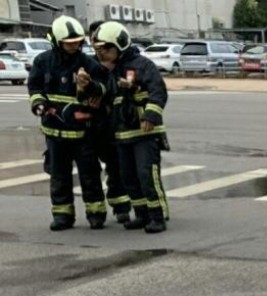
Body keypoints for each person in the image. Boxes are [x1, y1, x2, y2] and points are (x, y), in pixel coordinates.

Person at [27, 16, 109, 231]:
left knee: (90, 175)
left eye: (77, 41)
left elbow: (104, 89)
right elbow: (35, 88)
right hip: (54, 133)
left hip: (84, 133)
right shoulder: (43, 62)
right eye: (68, 42)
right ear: (56, 41)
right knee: (59, 176)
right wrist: (39, 104)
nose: (74, 45)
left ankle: (96, 213)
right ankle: (63, 216)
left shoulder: (88, 64)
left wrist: (89, 85)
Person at [92, 21, 169, 233]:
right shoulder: (110, 71)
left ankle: (157, 216)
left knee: (147, 175)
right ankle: (142, 214)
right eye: (98, 49)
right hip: (122, 135)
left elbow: (158, 91)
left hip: (145, 133)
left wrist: (151, 116)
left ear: (120, 45)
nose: (102, 53)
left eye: (105, 49)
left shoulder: (142, 65)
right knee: (129, 178)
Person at [86, 20, 131, 226]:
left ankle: (121, 208)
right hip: (90, 126)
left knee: (116, 167)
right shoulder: (87, 64)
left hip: (113, 124)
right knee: (90, 170)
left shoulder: (121, 63)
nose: (98, 43)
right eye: (94, 38)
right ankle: (96, 213)